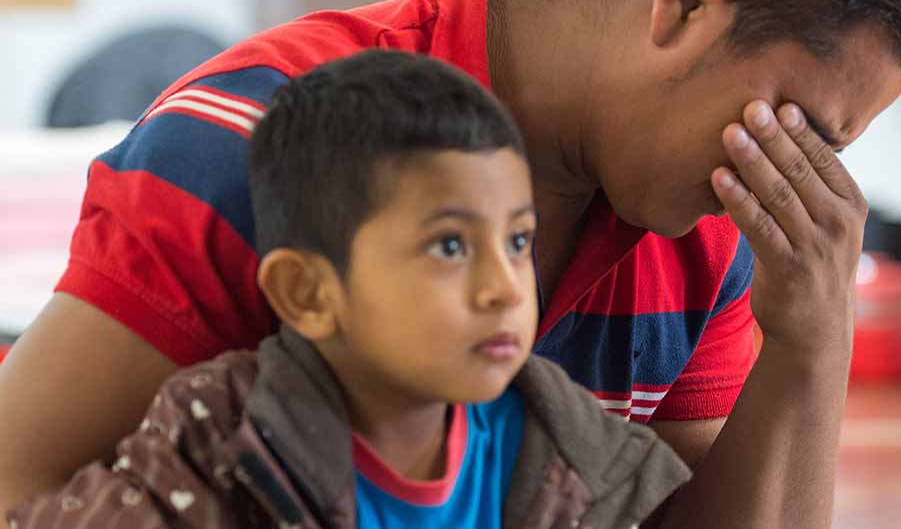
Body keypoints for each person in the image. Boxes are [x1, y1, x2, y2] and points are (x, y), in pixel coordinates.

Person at [0, 0, 901, 527]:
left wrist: (812, 333)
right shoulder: (252, 138)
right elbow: (17, 490)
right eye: (798, 120)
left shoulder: (709, 224)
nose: (800, 174)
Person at [6, 50, 691, 528]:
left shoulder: (571, 452)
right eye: (450, 245)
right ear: (306, 292)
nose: (503, 287)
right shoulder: (220, 435)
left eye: (517, 241)